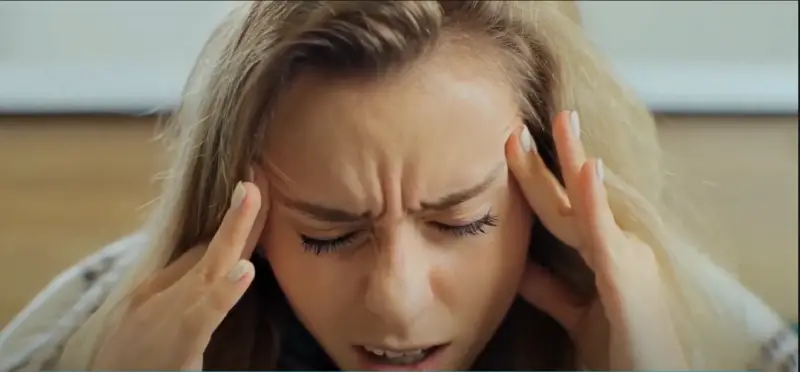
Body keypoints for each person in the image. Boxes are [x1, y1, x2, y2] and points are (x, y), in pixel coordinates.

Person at [0, 1, 796, 371]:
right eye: (330, 233)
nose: (397, 302)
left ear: (549, 196)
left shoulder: (679, 316)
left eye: (461, 222)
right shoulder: (104, 322)